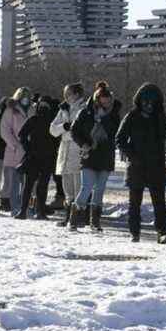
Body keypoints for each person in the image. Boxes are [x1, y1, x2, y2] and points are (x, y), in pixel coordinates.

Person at [116, 83, 166, 244]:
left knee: (159, 202)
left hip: (156, 165)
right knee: (134, 202)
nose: (148, 105)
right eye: (145, 101)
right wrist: (132, 155)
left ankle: (162, 232)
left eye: (152, 102)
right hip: (136, 166)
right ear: (139, 101)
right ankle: (134, 233)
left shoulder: (160, 117)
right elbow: (120, 139)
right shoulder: (132, 116)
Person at [70, 81, 121, 232]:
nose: (106, 101)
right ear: (97, 98)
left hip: (105, 155)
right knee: (86, 187)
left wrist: (104, 119)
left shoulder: (114, 114)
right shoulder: (85, 112)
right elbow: (74, 131)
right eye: (103, 98)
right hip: (89, 154)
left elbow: (115, 132)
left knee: (100, 189)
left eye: (108, 98)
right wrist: (83, 143)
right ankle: (74, 218)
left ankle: (95, 222)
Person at [50, 83, 87, 228]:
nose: (66, 97)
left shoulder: (83, 108)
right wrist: (63, 127)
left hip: (77, 148)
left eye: (69, 93)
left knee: (78, 184)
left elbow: (80, 129)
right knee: (67, 186)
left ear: (77, 94)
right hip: (64, 148)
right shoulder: (63, 109)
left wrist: (69, 129)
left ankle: (79, 217)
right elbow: (52, 130)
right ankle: (68, 216)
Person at [16, 96, 58, 220]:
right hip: (36, 156)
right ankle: (26, 211)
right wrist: (28, 148)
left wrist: (28, 147)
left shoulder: (50, 121)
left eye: (45, 105)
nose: (43, 108)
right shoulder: (36, 119)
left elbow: (22, 135)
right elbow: (22, 135)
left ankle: (36, 211)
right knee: (32, 185)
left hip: (44, 157)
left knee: (38, 185)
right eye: (42, 105)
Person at [0, 87, 33, 216]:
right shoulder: (10, 111)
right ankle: (15, 207)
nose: (25, 98)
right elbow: (5, 130)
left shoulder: (32, 109)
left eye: (27, 96)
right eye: (23, 96)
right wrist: (15, 144)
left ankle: (24, 208)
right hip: (15, 150)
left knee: (28, 183)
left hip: (29, 151)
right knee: (14, 183)